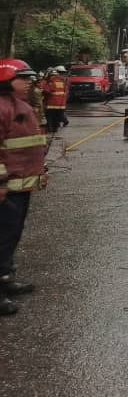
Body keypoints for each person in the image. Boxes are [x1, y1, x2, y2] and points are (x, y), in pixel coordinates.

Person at [0, 59, 48, 316]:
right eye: (24, 79)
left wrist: (39, 171)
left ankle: (6, 278)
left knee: (11, 237)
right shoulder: (2, 108)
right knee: (2, 239)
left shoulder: (22, 106)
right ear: (7, 81)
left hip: (21, 187)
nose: (30, 83)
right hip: (6, 189)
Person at [41, 65, 68, 133]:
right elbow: (65, 92)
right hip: (61, 104)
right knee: (57, 117)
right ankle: (55, 128)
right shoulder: (62, 81)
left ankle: (50, 128)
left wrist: (43, 92)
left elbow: (47, 90)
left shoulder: (51, 81)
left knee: (50, 116)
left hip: (52, 103)